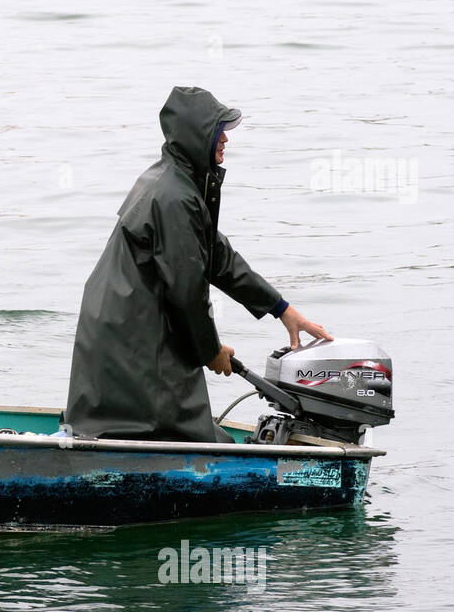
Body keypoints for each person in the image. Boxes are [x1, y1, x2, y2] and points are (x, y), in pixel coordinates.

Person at [64, 86, 332, 443]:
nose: (226, 139)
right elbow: (188, 293)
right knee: (193, 438)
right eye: (219, 130)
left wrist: (281, 308)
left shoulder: (168, 180)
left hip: (120, 331)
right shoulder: (174, 197)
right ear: (196, 135)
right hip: (136, 341)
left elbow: (214, 255)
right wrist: (210, 351)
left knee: (133, 425)